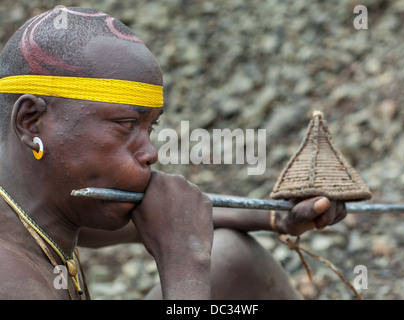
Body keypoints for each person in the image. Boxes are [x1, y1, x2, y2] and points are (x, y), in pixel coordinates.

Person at [0, 7, 347, 300]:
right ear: (32, 122)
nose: (150, 152)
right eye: (125, 124)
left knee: (233, 259)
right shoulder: (12, 282)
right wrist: (184, 267)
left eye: (149, 129)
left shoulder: (38, 211)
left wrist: (277, 217)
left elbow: (159, 220)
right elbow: (177, 249)